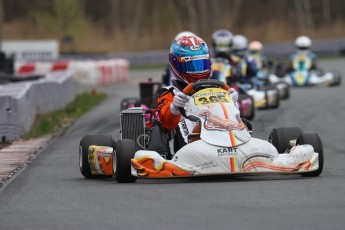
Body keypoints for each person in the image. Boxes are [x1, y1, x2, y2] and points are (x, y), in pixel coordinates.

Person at [157, 35, 239, 153]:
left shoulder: (218, 88)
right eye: (191, 66)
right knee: (183, 121)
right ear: (176, 64)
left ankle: (237, 147)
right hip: (185, 148)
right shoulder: (169, 92)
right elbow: (167, 123)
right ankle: (191, 152)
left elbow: (234, 119)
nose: (198, 71)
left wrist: (233, 104)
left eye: (202, 64)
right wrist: (174, 108)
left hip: (221, 137)